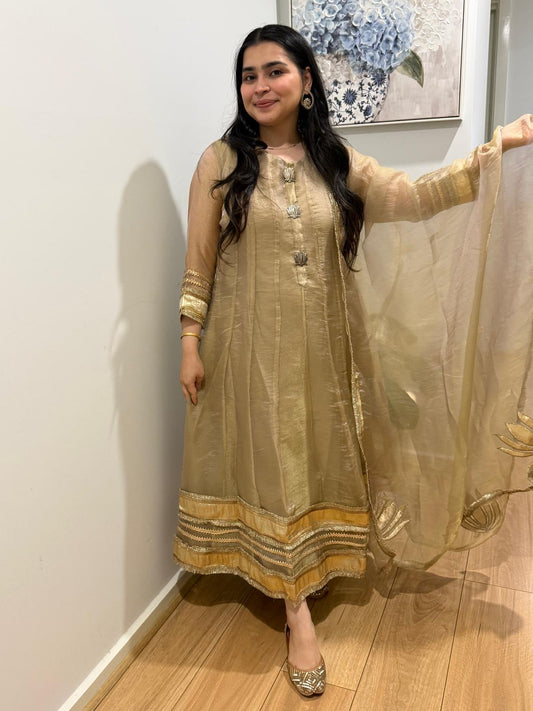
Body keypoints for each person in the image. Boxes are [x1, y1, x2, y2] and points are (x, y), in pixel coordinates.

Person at [173, 24, 533, 697]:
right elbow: (198, 261)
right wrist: (190, 341)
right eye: (248, 75)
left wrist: (495, 151)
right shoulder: (219, 161)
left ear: (306, 80)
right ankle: (295, 607)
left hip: (325, 347)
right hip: (245, 349)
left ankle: (314, 558)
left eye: (274, 71)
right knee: (273, 460)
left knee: (313, 454)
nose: (259, 86)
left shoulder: (335, 160)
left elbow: (412, 197)